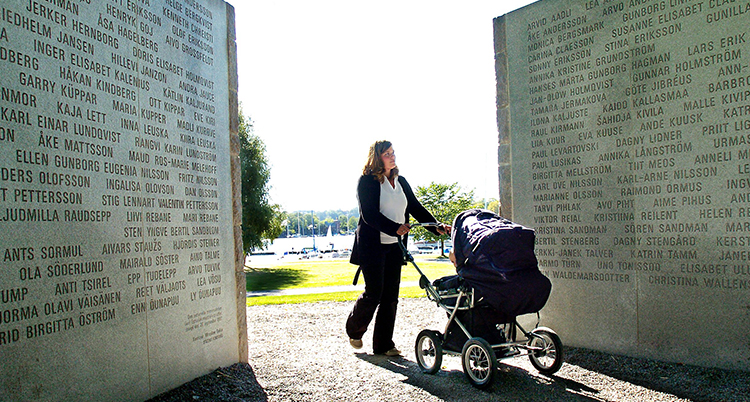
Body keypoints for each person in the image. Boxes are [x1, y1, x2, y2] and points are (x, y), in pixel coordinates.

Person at [346, 140, 449, 356]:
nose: (392, 157)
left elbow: (415, 207)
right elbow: (369, 215)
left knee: (391, 296)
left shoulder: (401, 181)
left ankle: (383, 345)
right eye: (387, 154)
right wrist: (395, 228)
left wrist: (436, 226)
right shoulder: (367, 182)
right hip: (372, 246)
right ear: (376, 157)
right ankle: (354, 329)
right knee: (374, 293)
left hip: (395, 246)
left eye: (393, 153)